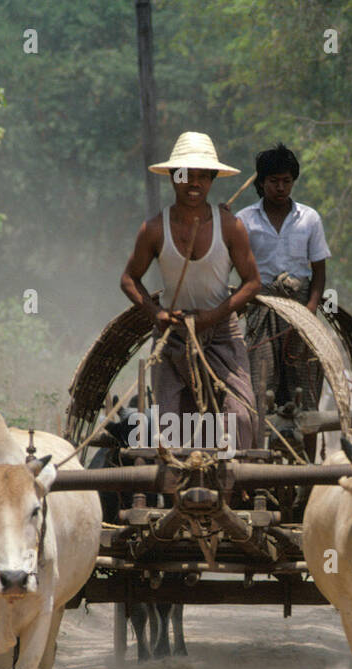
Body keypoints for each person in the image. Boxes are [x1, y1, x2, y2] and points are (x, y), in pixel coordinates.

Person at [119, 131, 262, 450]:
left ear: (212, 180)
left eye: (202, 176)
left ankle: (234, 483)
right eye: (185, 175)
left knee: (240, 418)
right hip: (173, 338)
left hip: (223, 336)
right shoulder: (154, 229)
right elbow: (129, 279)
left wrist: (214, 316)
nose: (193, 183)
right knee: (172, 427)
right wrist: (157, 313)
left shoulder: (229, 226)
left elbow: (253, 282)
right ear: (173, 177)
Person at [234, 143, 332, 447]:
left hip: (300, 308)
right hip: (260, 307)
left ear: (293, 181)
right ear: (261, 183)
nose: (280, 187)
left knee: (305, 385)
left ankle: (307, 464)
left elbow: (318, 271)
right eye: (273, 181)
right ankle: (256, 455)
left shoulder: (310, 218)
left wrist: (310, 311)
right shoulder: (243, 220)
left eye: (286, 181)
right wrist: (222, 224)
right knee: (260, 384)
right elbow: (231, 261)